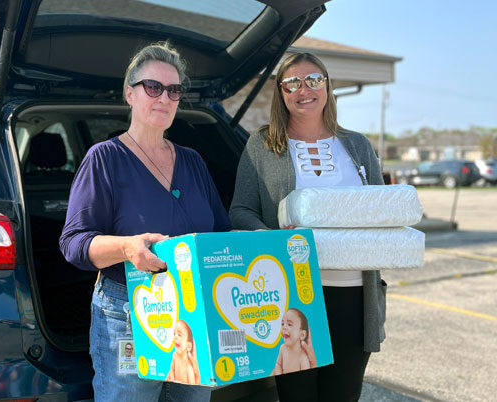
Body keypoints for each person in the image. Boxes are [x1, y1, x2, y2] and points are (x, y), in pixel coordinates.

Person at [60, 41, 231, 402]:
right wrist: (126, 247)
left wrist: (268, 242)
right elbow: (74, 243)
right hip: (129, 313)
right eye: (153, 87)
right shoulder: (105, 160)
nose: (164, 98)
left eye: (174, 90)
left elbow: (221, 232)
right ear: (130, 94)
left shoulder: (193, 162)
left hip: (194, 315)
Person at [229, 52, 386, 402]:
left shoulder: (357, 145)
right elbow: (240, 210)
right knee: (297, 396)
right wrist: (267, 238)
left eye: (314, 80)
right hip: (293, 297)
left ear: (327, 86)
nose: (305, 90)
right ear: (281, 92)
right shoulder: (263, 145)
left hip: (354, 295)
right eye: (293, 83)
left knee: (343, 395)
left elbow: (381, 210)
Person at [273, 308, 312, 375]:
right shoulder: (282, 348)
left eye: (289, 324)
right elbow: (278, 365)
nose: (284, 327)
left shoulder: (302, 358)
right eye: (282, 324)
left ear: (302, 335)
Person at [166, 320, 201, 385]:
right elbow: (171, 369)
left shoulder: (188, 366)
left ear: (189, 346)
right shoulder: (175, 355)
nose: (175, 337)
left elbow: (192, 386)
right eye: (174, 333)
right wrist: (172, 379)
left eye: (179, 335)